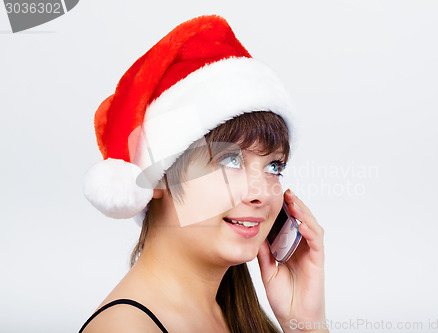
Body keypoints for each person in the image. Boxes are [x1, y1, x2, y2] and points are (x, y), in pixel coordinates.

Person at [81, 15, 327, 333]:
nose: (263, 193)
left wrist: (306, 324)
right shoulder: (125, 329)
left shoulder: (233, 314)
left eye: (273, 167)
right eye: (230, 161)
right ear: (157, 177)